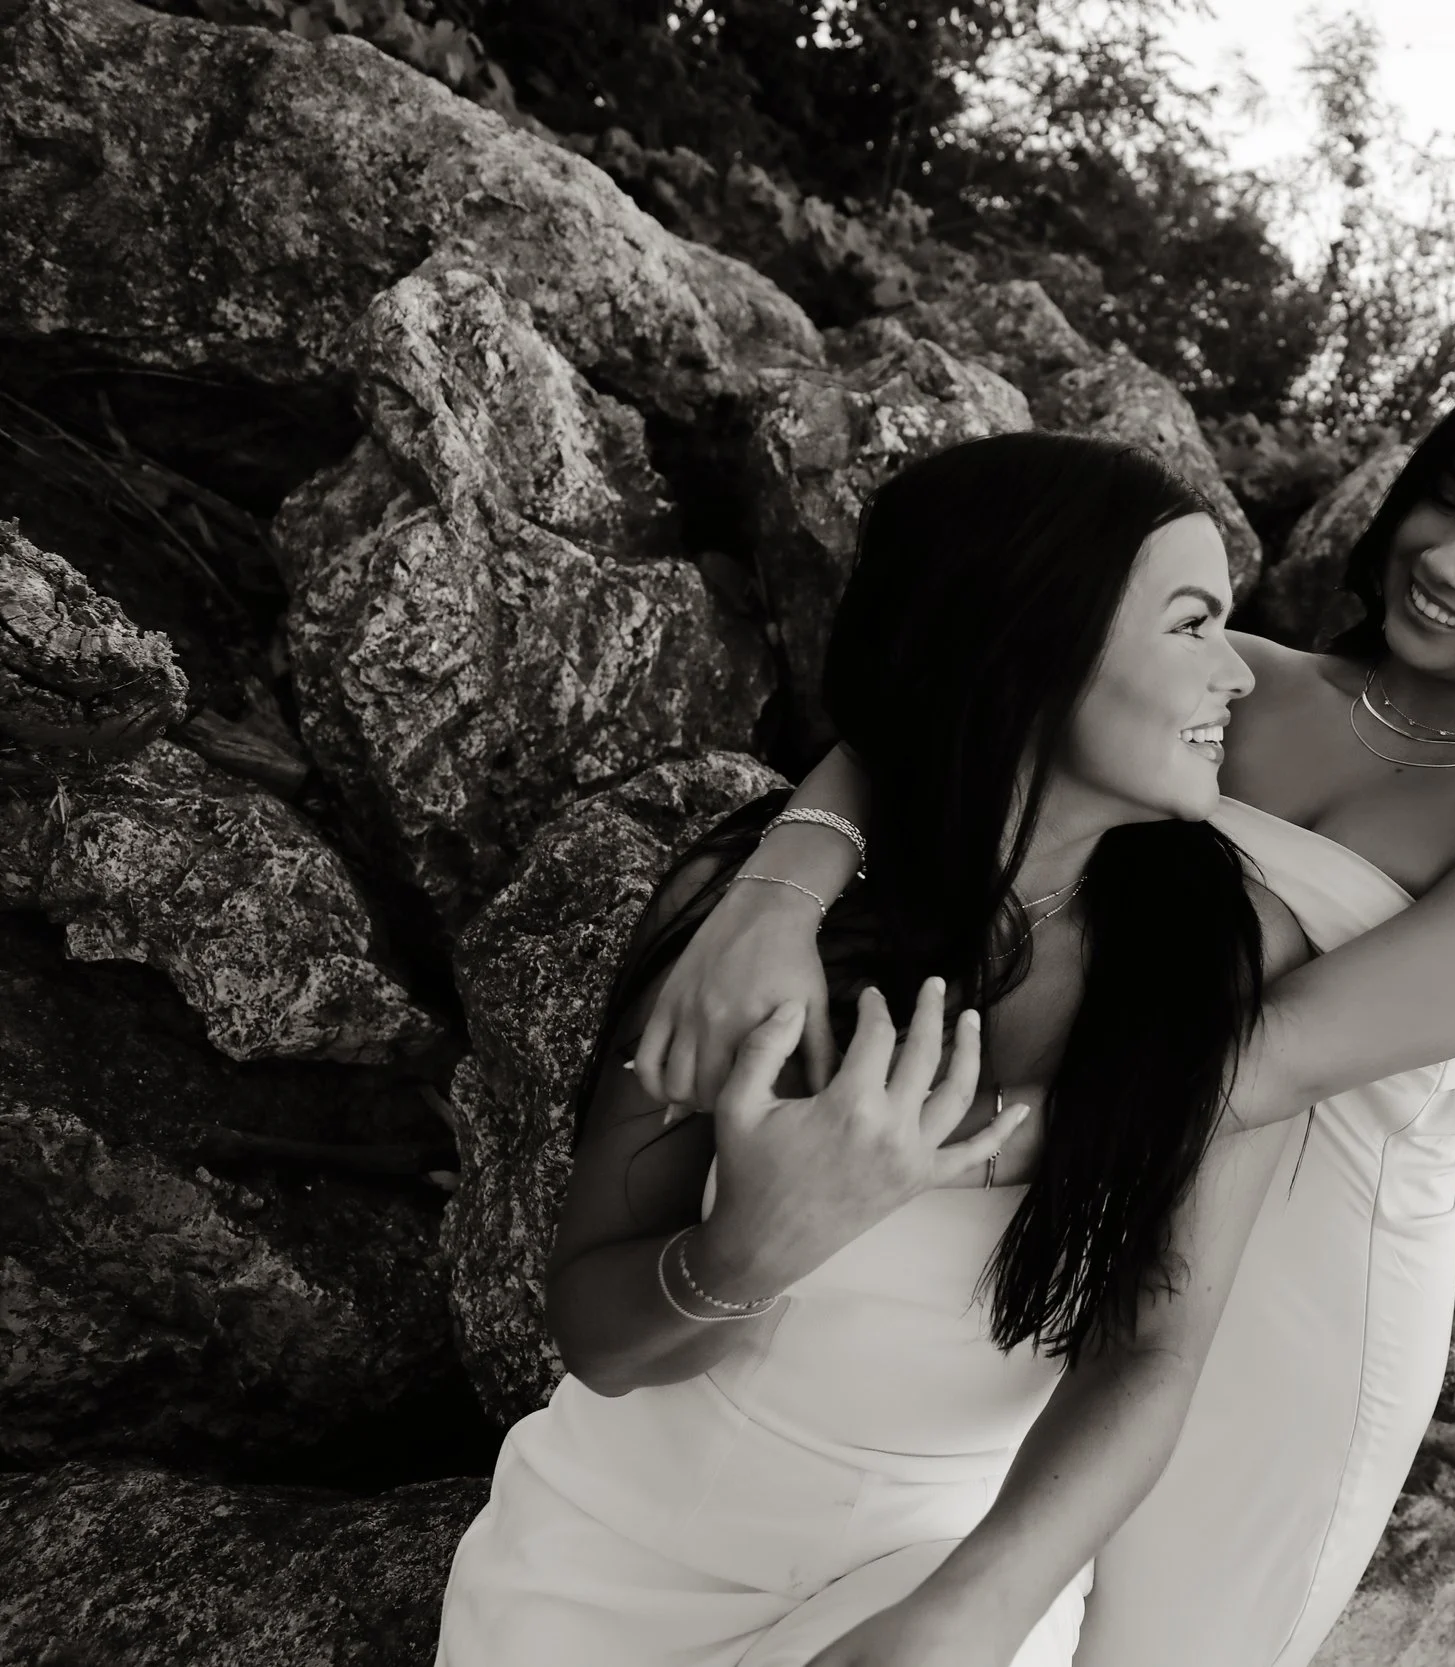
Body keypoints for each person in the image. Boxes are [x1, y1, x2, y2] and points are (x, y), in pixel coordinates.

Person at [637, 350, 1455, 1666]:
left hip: (1296, 1261)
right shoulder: (1230, 667)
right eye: (1444, 499)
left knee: (1172, 1633)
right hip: (1090, 1173)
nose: (1449, 555)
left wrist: (887, 1155)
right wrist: (774, 894)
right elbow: (956, 722)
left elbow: (1241, 1069)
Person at [434, 431, 1320, 1667]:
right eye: (1191, 626)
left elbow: (1155, 1346)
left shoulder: (1215, 956)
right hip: (625, 1553)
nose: (1238, 673)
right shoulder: (762, 926)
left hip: (944, 1558)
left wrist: (976, 1609)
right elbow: (598, 1332)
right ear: (1033, 645)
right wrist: (746, 1250)